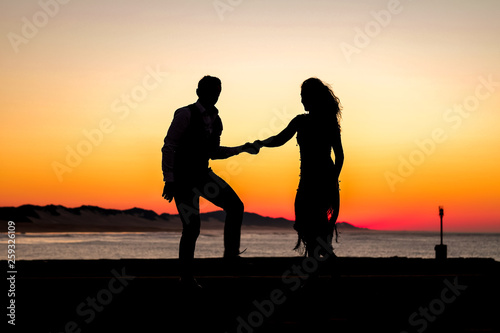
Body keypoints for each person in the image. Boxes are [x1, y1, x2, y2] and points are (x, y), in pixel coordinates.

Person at [161, 75, 258, 289]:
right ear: (199, 92)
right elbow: (169, 146)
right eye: (211, 90)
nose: (215, 95)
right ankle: (186, 279)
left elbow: (214, 153)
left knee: (235, 206)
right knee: (192, 228)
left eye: (218, 91)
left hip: (204, 176)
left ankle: (231, 256)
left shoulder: (217, 121)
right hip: (184, 180)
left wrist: (241, 148)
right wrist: (170, 180)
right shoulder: (184, 114)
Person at [254, 77, 344, 257]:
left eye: (304, 96)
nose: (301, 100)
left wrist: (332, 183)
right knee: (308, 232)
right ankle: (326, 275)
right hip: (307, 183)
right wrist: (260, 143)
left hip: (324, 182)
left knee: (318, 235)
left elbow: (340, 155)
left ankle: (326, 277)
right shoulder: (300, 121)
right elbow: (279, 139)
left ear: (313, 97)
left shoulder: (329, 123)